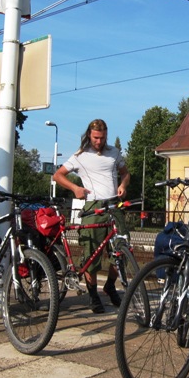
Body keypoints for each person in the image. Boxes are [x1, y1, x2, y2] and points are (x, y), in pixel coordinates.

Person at [53, 119, 130, 314]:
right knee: (91, 252)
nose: (99, 141)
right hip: (92, 206)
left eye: (102, 137)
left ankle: (110, 286)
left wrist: (123, 185)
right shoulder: (80, 156)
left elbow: (125, 173)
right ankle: (93, 294)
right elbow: (58, 175)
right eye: (96, 138)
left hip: (113, 204)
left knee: (122, 248)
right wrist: (75, 188)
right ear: (89, 135)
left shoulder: (114, 152)